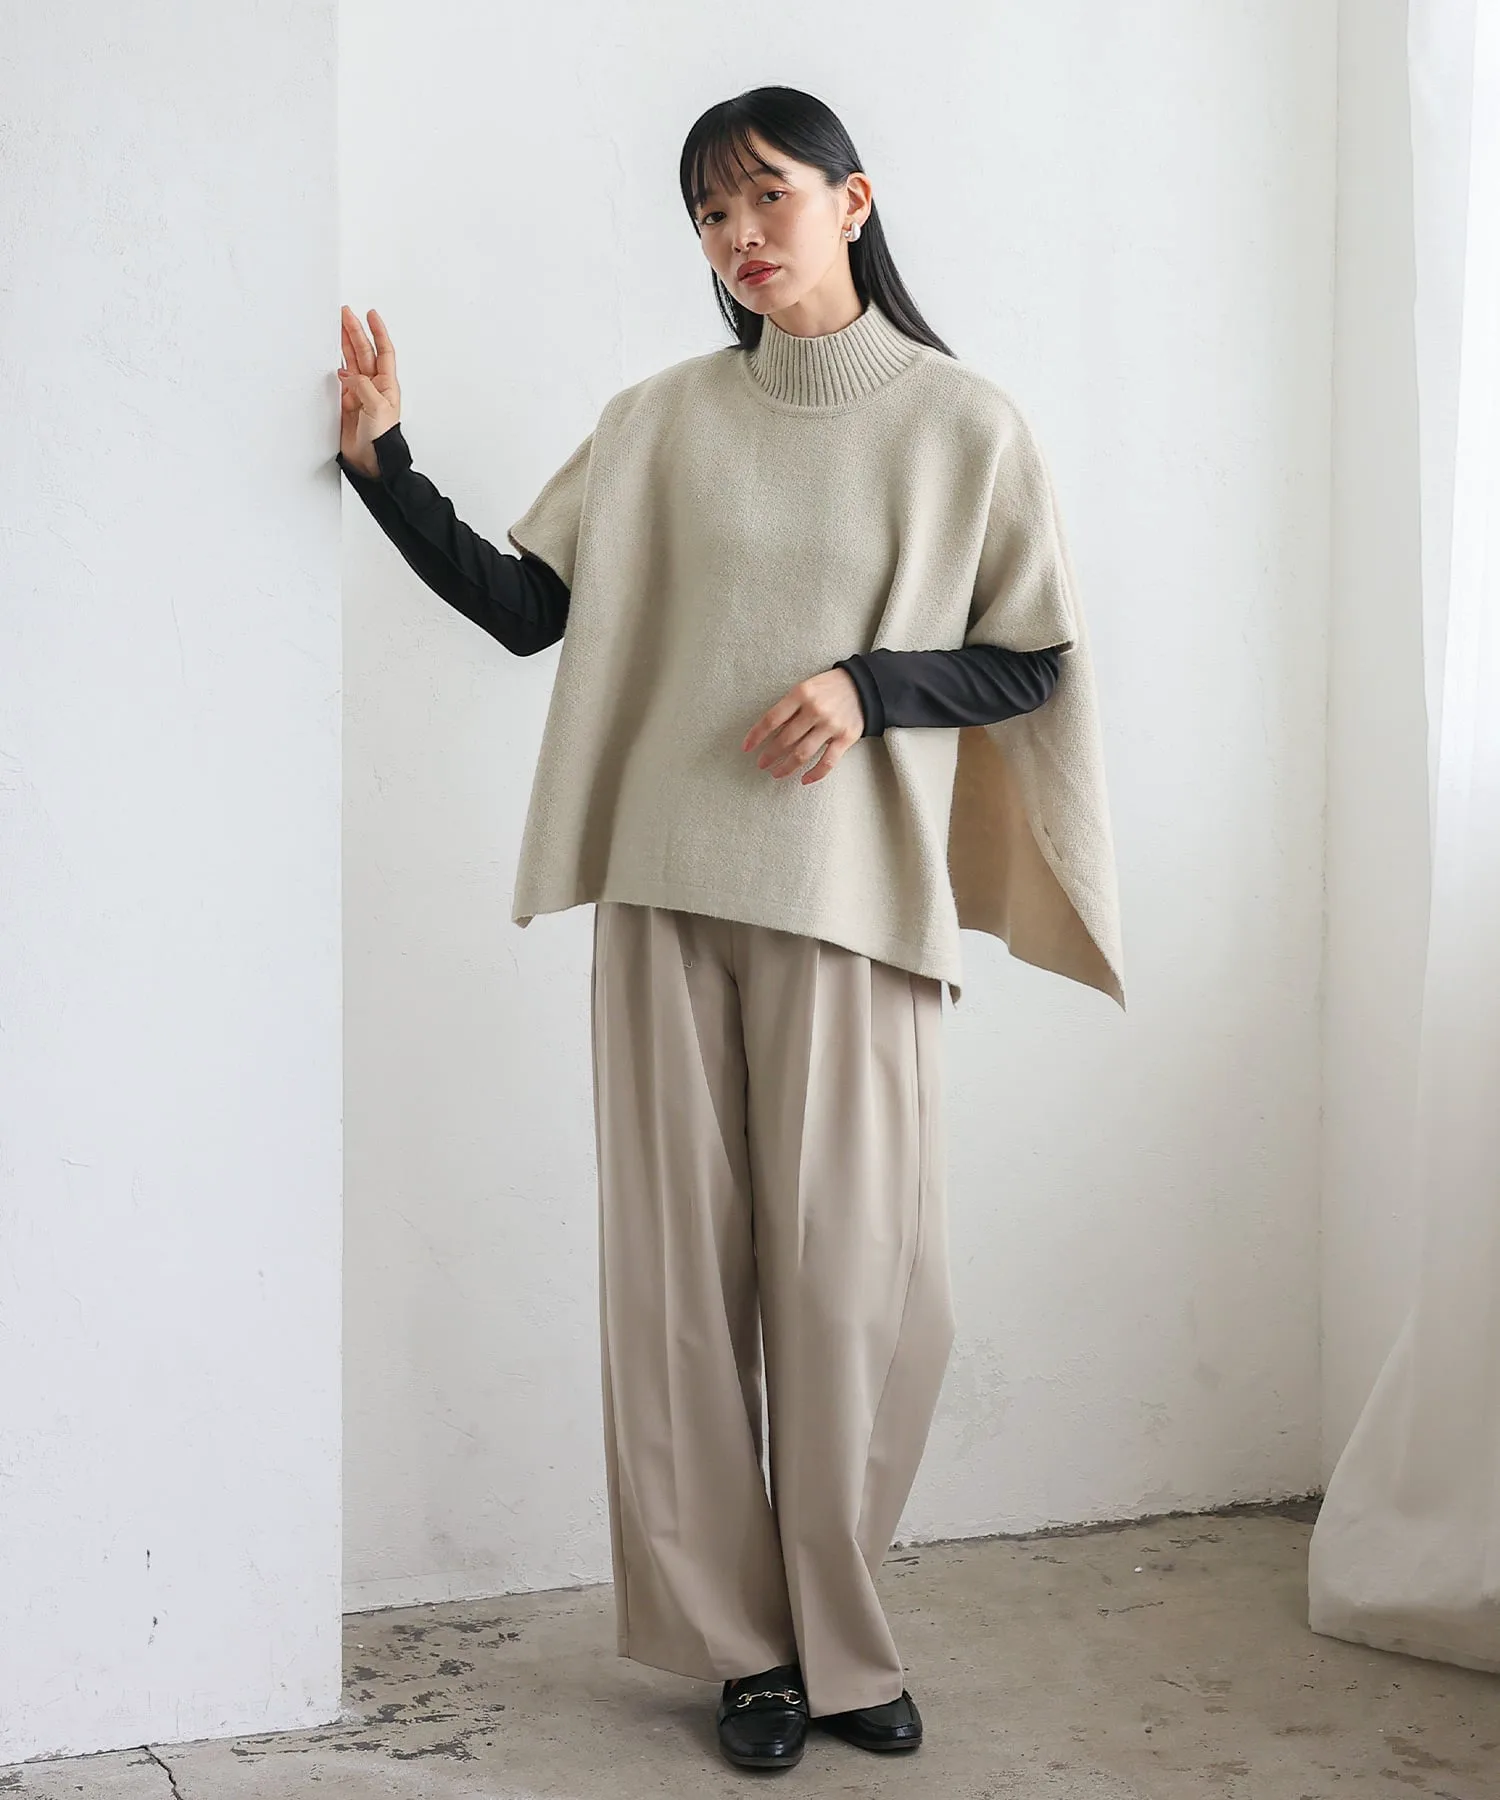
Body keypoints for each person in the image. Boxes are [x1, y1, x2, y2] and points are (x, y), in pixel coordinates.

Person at [337, 85, 1124, 1774]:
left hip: (853, 903)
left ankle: (840, 1635)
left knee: (865, 1295)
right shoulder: (660, 422)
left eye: (765, 195)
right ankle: (745, 1654)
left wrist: (869, 686)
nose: (738, 236)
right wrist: (385, 468)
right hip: (665, 888)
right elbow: (529, 609)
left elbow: (1034, 657)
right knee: (678, 1293)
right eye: (708, 213)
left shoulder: (964, 423)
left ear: (853, 200)